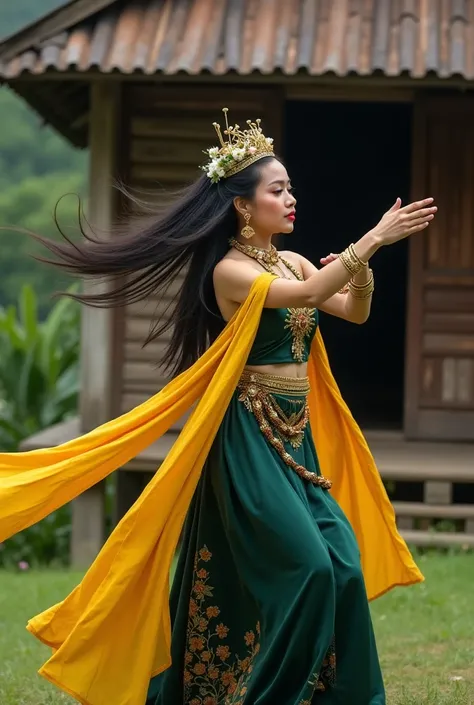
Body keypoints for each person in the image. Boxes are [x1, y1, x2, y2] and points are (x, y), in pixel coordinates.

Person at [0, 110, 435, 705]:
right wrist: (373, 239)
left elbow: (350, 311)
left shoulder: (294, 260)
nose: (290, 198)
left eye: (289, 187)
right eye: (277, 189)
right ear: (241, 205)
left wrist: (358, 272)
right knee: (307, 571)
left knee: (344, 569)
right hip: (248, 440)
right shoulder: (231, 272)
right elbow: (309, 297)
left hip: (297, 440)